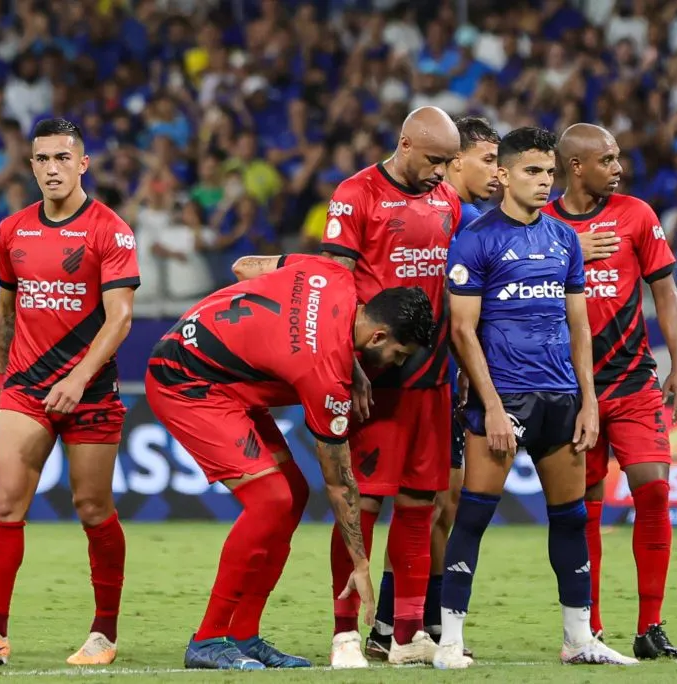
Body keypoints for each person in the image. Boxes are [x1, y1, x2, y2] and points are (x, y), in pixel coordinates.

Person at [231, 105, 461, 668]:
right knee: (365, 504)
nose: (440, 171)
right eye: (434, 160)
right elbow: (333, 285)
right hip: (373, 376)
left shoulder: (447, 200)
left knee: (419, 504)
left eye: (448, 163)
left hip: (430, 377)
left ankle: (405, 635)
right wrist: (353, 366)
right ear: (405, 144)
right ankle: (345, 636)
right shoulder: (356, 195)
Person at [145, 255, 435, 670]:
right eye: (399, 353)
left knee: (293, 494)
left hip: (216, 369)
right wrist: (361, 563)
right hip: (186, 381)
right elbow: (339, 483)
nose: (397, 364)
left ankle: (243, 634)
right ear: (378, 336)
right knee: (270, 499)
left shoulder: (334, 274)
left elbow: (244, 267)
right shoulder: (325, 372)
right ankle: (207, 638)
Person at [0, 118, 140, 667]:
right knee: (4, 504)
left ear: (82, 164)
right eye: (42, 159)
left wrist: (76, 380)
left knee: (93, 508)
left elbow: (120, 318)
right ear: (31, 166)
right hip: (26, 388)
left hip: (91, 390)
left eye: (61, 158)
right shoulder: (12, 231)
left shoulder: (110, 230)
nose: (52, 168)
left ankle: (104, 633)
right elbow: (5, 312)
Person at [435, 126, 637, 669]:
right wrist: (493, 405)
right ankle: (449, 642)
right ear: (502, 174)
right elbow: (462, 331)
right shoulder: (476, 239)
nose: (544, 181)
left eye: (549, 172)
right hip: (503, 402)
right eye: (532, 171)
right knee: (473, 517)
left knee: (570, 518)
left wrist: (589, 400)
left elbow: (578, 327)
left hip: (561, 399)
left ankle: (578, 639)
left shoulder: (564, 239)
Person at [543, 123, 677, 659]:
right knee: (583, 509)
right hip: (571, 390)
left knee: (653, 489)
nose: (618, 167)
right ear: (576, 166)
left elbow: (666, 291)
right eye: (607, 159)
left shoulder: (637, 216)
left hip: (632, 383)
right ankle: (591, 628)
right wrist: (566, 250)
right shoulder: (545, 225)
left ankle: (650, 626)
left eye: (618, 157)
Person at [366, 115, 500, 660]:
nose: (496, 172)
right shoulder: (457, 214)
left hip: (446, 377)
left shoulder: (465, 217)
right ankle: (410, 623)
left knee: (438, 506)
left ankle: (401, 623)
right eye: (486, 160)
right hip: (415, 378)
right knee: (428, 504)